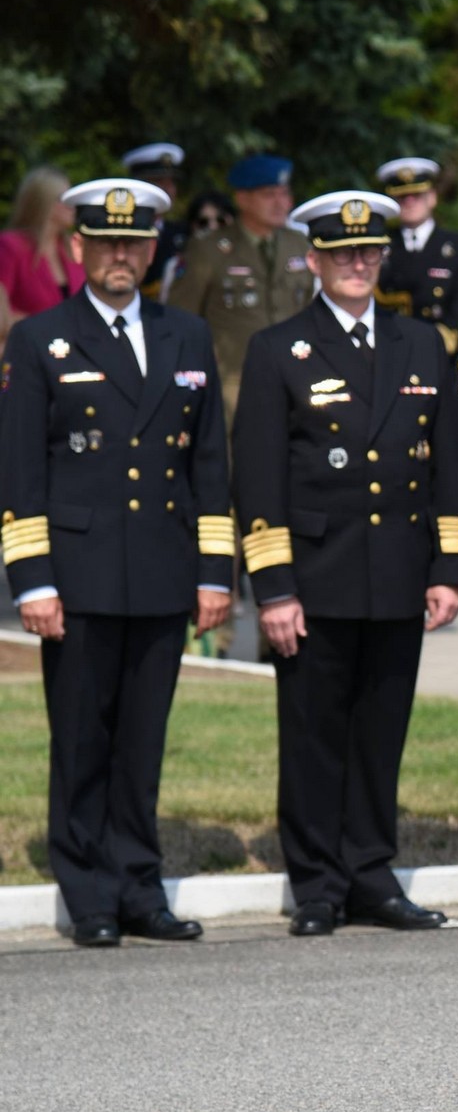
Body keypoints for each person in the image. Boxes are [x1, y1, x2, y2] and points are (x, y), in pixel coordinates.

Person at [0, 178, 234, 945]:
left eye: (133, 244)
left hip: (164, 571)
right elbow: (20, 473)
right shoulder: (40, 340)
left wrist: (212, 571)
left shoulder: (185, 335)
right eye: (105, 243)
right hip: (77, 575)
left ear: (153, 250)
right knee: (81, 741)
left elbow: (208, 463)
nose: (120, 257)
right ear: (78, 249)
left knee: (142, 742)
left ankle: (139, 886)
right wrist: (31, 580)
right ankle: (90, 894)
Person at [232, 189, 458, 935]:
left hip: (398, 575)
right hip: (315, 579)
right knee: (312, 740)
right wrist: (272, 589)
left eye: (368, 252)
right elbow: (259, 479)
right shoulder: (278, 349)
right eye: (341, 253)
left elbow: (448, 467)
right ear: (314, 259)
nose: (357, 265)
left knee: (378, 740)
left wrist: (447, 568)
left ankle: (371, 875)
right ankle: (318, 887)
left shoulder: (422, 345)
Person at [168, 154, 313, 433]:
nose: (281, 202)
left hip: (294, 382)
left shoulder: (300, 246)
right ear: (242, 199)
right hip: (232, 387)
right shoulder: (209, 249)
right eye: (269, 194)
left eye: (285, 193)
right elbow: (180, 321)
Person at [374, 157, 458, 346]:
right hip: (390, 344)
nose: (410, 202)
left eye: (417, 195)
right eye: (402, 197)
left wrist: (445, 337)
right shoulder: (379, 246)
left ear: (432, 197)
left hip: (441, 348)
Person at [0, 166, 83, 318]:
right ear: (43, 202)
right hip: (25, 340)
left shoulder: (72, 249)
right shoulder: (11, 247)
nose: (72, 206)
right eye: (65, 199)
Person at [124, 143, 189, 297]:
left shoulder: (185, 234)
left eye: (171, 182)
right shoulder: (118, 231)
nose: (167, 189)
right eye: (158, 181)